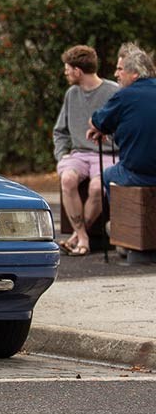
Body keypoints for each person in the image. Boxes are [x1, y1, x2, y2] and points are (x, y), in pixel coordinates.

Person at [53, 45, 119, 256]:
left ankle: (77, 236)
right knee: (67, 180)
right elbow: (60, 131)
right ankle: (81, 237)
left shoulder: (114, 91)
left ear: (77, 71)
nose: (65, 73)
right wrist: (61, 154)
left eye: (67, 69)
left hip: (108, 154)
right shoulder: (71, 94)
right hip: (79, 154)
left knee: (98, 188)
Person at [87, 46, 156, 192]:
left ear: (135, 73)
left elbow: (96, 121)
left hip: (139, 174)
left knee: (107, 175)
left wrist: (100, 129)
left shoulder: (125, 96)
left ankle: (120, 215)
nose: (116, 74)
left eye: (120, 69)